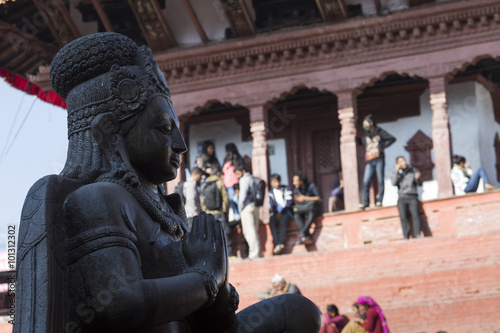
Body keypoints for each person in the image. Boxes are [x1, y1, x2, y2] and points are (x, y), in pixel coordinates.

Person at [15, 32, 321, 333]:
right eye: (164, 127)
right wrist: (205, 278)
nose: (180, 145)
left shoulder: (167, 211)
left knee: (298, 311)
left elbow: (211, 324)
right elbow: (116, 305)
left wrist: (219, 291)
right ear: (110, 130)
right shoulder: (99, 199)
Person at [358, 114, 396, 209]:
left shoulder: (379, 132)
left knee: (380, 180)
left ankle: (380, 201)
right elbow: (362, 142)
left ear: (371, 123)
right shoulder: (366, 135)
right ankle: (366, 202)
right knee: (366, 181)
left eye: (366, 123)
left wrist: (382, 147)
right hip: (369, 160)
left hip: (379, 159)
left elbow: (392, 138)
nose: (364, 126)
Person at [201, 166, 234, 258]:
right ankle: (229, 254)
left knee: (211, 235)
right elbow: (225, 198)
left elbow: (202, 201)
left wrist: (205, 211)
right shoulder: (219, 182)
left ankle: (214, 256)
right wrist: (225, 211)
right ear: (218, 173)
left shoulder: (205, 184)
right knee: (224, 233)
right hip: (219, 212)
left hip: (209, 213)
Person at [391, 156, 422, 239]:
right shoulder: (397, 174)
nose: (403, 163)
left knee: (415, 215)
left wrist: (418, 179)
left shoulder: (413, 171)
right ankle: (406, 236)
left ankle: (417, 234)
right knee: (403, 217)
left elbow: (420, 184)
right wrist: (397, 171)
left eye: (403, 161)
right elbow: (393, 183)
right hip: (402, 197)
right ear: (397, 164)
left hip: (412, 196)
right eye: (400, 162)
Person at [235, 165, 262, 260]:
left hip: (246, 208)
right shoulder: (252, 178)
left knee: (249, 232)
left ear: (242, 171)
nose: (238, 176)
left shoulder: (243, 180)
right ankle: (257, 252)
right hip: (255, 207)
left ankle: (254, 254)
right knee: (254, 231)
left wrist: (240, 209)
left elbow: (242, 196)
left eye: (238, 173)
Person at [292, 170, 322, 245]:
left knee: (310, 214)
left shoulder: (311, 186)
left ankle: (302, 235)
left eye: (296, 181)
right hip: (303, 210)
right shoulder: (296, 190)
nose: (294, 183)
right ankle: (306, 235)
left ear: (301, 181)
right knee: (296, 215)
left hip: (312, 209)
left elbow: (319, 198)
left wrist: (305, 198)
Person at [268, 173, 294, 255]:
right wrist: (276, 213)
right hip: (276, 212)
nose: (277, 183)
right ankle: (277, 243)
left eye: (278, 181)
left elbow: (289, 202)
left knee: (283, 222)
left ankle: (280, 242)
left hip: (286, 211)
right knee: (271, 222)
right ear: (271, 183)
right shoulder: (270, 193)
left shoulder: (286, 189)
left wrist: (282, 212)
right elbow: (271, 205)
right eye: (275, 182)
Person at [223, 143, 244, 223]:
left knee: (235, 200)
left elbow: (239, 171)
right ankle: (236, 216)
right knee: (231, 201)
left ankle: (239, 216)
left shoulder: (238, 159)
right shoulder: (226, 160)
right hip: (227, 185)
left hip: (234, 184)